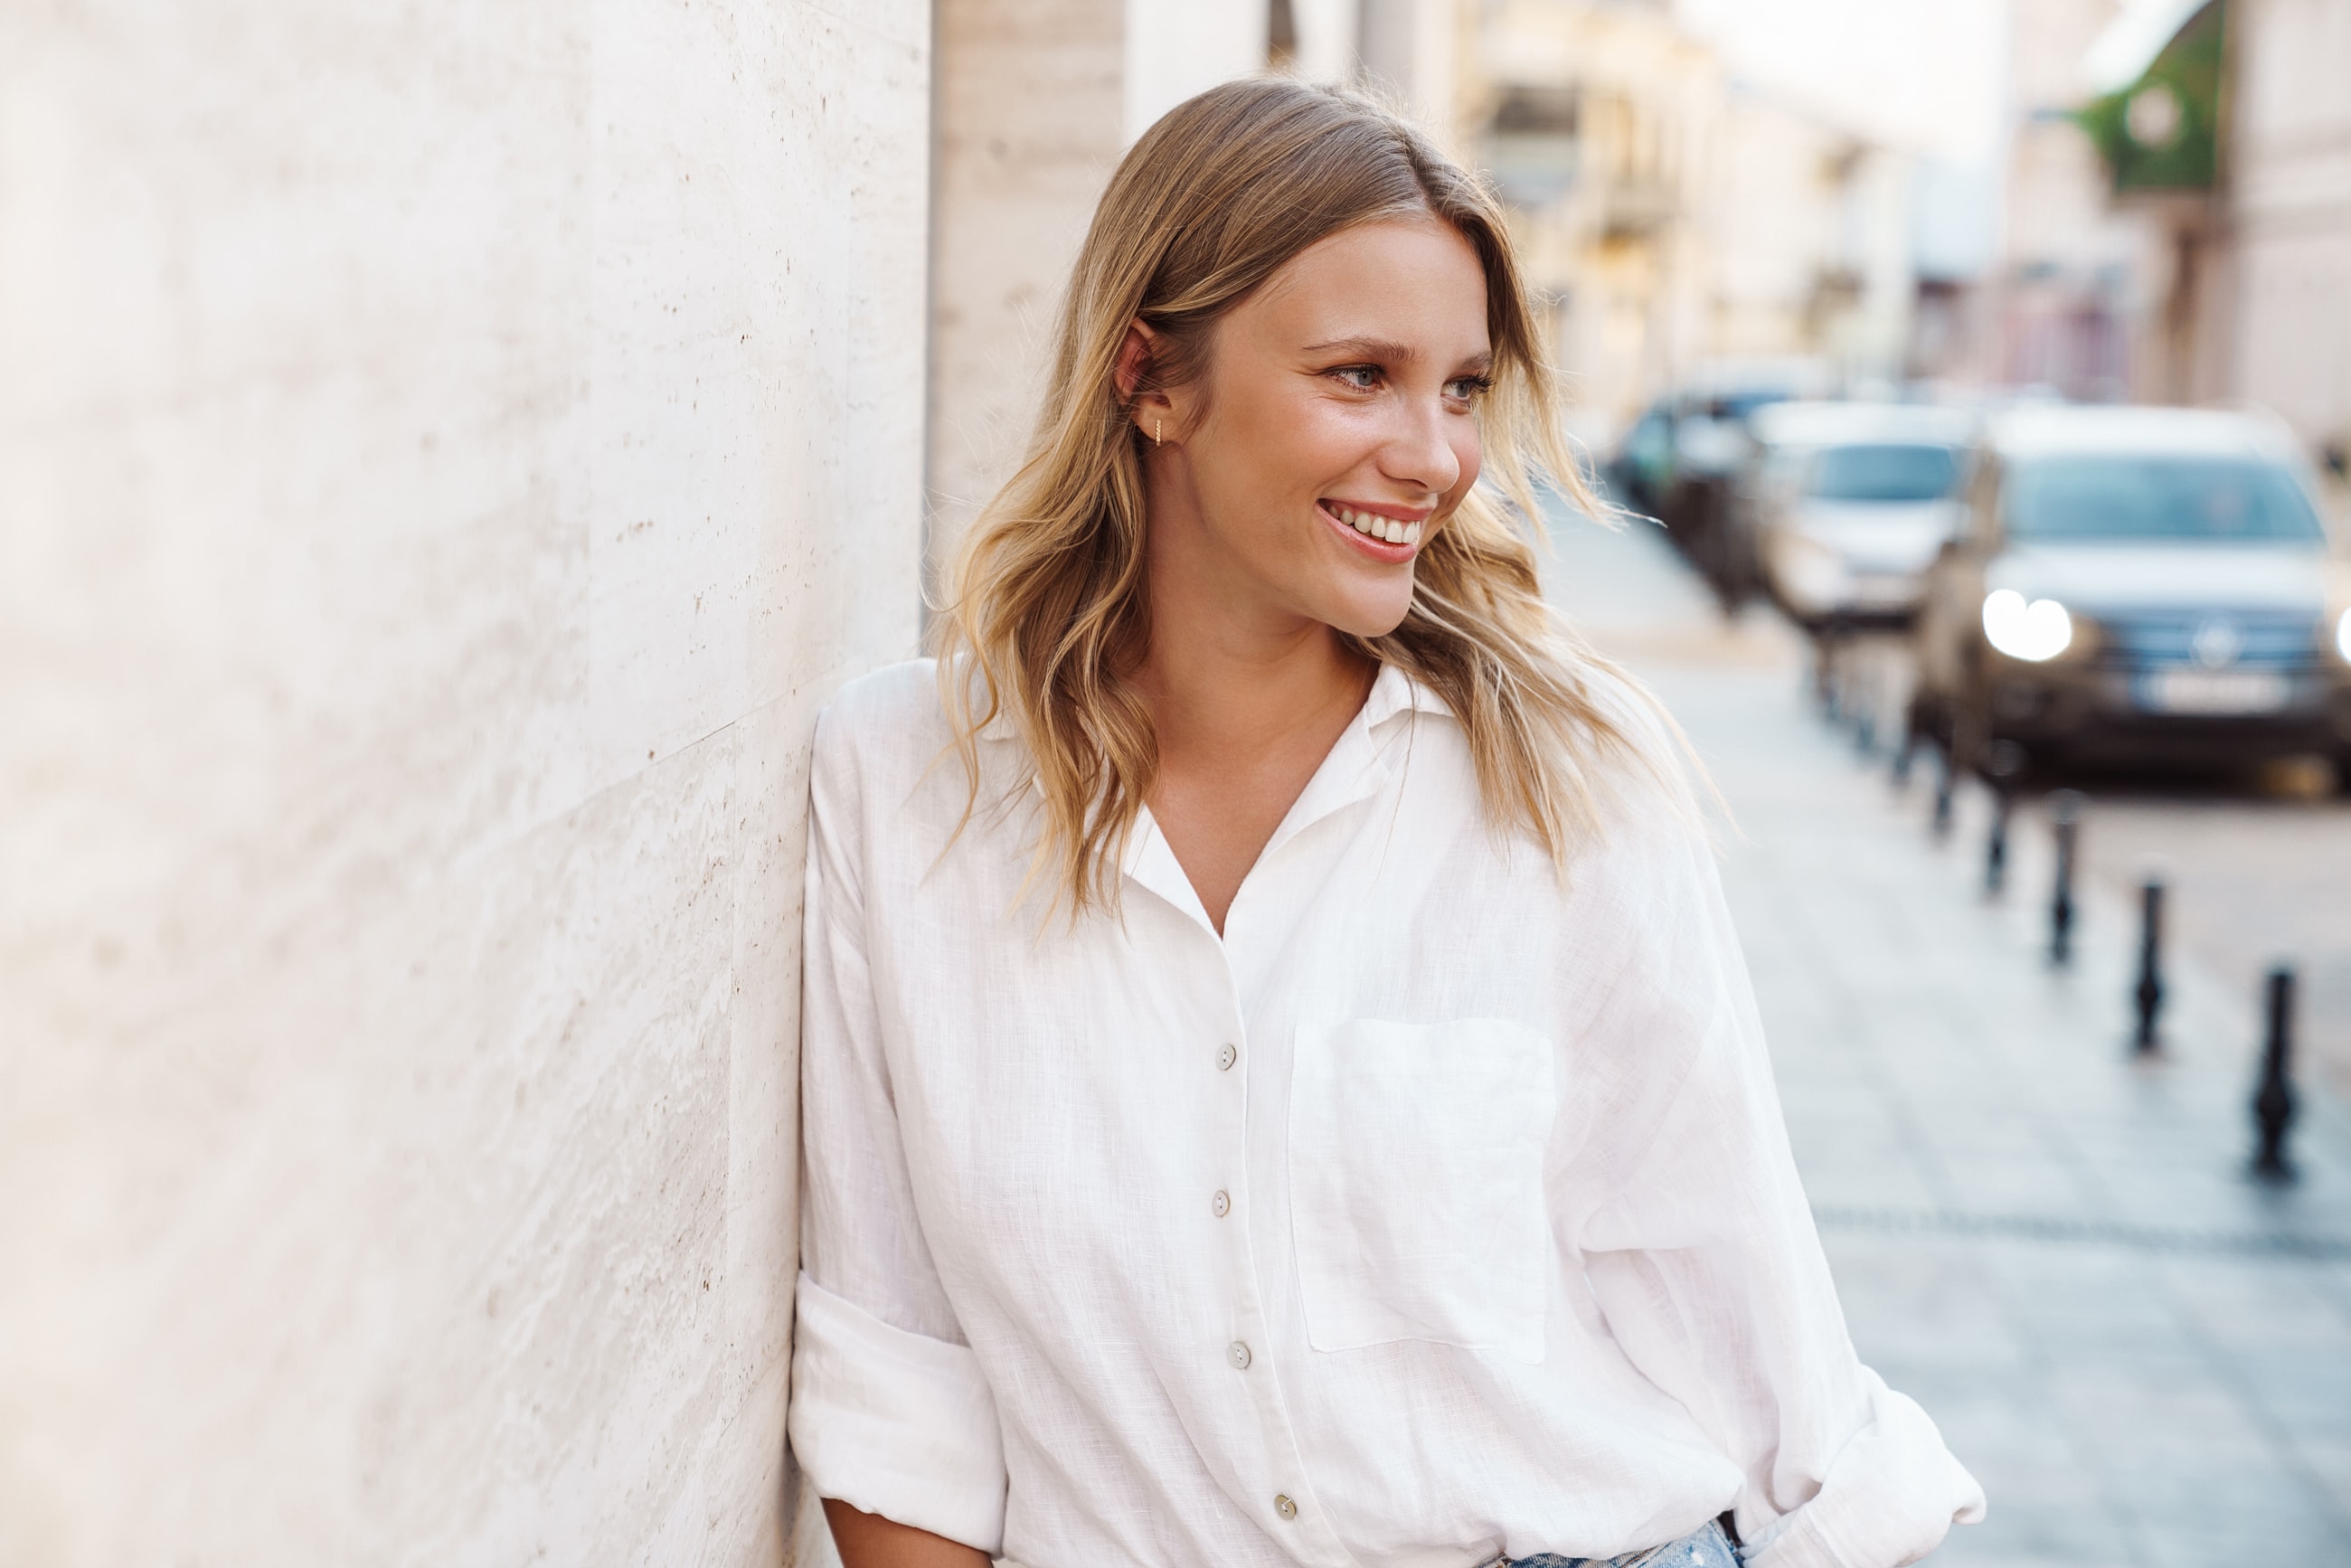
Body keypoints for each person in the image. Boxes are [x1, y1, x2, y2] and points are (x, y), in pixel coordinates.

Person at [788, 79, 1984, 1568]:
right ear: (1149, 378)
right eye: (1361, 375)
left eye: (1465, 386)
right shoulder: (908, 780)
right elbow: (897, 1363)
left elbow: (1747, 1311)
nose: (1435, 455)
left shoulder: (1564, 783)